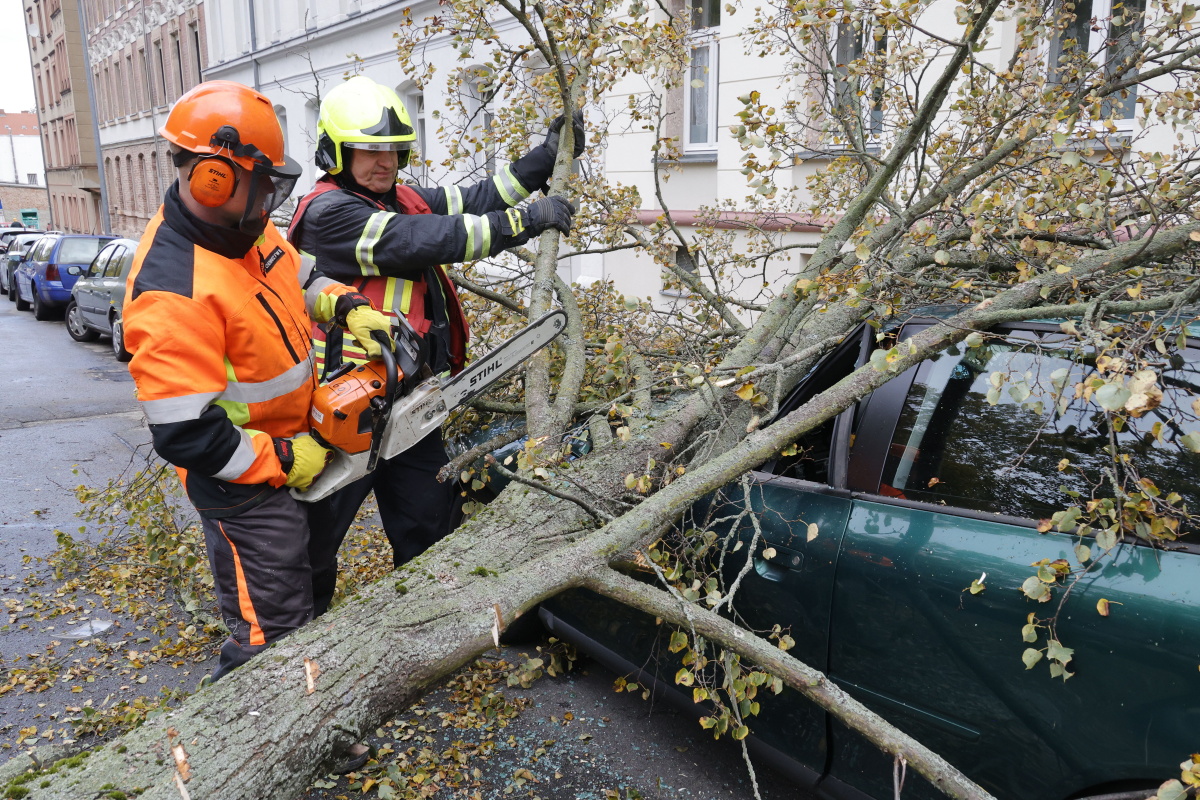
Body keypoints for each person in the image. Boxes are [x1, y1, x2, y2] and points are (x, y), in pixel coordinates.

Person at [122, 81, 392, 702]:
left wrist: (346, 305)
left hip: (292, 442)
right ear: (215, 178)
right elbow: (186, 433)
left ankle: (309, 706)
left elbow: (296, 276)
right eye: (264, 184)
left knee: (310, 577)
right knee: (270, 623)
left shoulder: (243, 231)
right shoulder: (173, 288)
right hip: (239, 481)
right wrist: (282, 462)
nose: (272, 199)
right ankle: (253, 733)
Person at [289, 75, 582, 615]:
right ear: (335, 151)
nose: (385, 163)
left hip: (408, 397)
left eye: (394, 152)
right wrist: (525, 222)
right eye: (370, 151)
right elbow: (427, 239)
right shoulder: (329, 214)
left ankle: (424, 625)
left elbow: (472, 200)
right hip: (344, 406)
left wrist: (544, 158)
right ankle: (294, 647)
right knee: (310, 545)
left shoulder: (401, 196)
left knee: (431, 524)